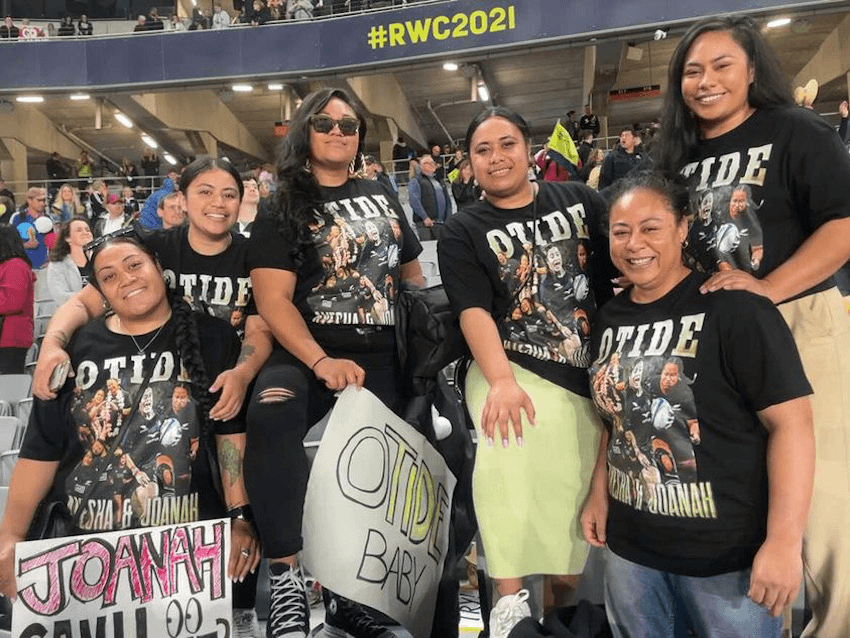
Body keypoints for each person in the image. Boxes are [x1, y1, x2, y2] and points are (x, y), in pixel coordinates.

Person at [654, 16, 850, 638]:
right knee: (747, 492)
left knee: (825, 501)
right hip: (714, 341)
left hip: (798, 320)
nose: (705, 81)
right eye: (691, 70)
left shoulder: (796, 130)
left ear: (753, 70)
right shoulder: (677, 157)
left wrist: (767, 289)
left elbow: (842, 227)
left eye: (720, 66)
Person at [31, 157, 274, 637]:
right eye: (204, 191)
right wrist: (53, 344)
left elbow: (263, 322)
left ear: (244, 197)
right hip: (165, 392)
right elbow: (87, 301)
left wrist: (243, 372)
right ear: (181, 199)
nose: (217, 204)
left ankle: (241, 610)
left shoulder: (253, 252)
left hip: (225, 388)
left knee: (239, 487)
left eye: (228, 193)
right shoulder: (155, 247)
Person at [582, 171, 815, 638]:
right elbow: (616, 418)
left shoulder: (735, 307)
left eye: (651, 227)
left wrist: (784, 541)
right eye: (621, 231)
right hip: (632, 555)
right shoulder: (608, 318)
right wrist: (599, 491)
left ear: (683, 228)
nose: (634, 244)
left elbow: (793, 426)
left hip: (726, 564)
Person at [246, 87, 424, 638]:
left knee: (393, 460)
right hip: (307, 348)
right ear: (306, 130)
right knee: (272, 415)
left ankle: (354, 596)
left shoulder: (381, 192)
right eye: (325, 123)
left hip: (385, 350)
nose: (339, 133)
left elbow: (411, 272)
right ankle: (287, 579)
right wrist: (321, 360)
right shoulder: (282, 204)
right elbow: (273, 300)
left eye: (350, 126)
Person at [0, 234, 260, 602]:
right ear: (100, 293)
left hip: (186, 548)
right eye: (108, 277)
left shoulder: (212, 337)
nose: (126, 279)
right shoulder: (76, 348)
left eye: (134, 265)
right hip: (84, 554)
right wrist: (10, 536)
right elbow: (42, 449)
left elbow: (228, 433)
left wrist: (240, 517)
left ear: (158, 266)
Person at [437, 106, 613, 638]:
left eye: (507, 144)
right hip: (507, 364)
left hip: (585, 365)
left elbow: (615, 272)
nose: (496, 158)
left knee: (573, 486)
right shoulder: (461, 229)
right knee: (508, 440)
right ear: (468, 165)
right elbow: (473, 311)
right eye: (482, 151)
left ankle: (563, 610)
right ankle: (509, 602)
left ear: (528, 149)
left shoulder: (581, 200)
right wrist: (503, 380)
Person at [0, 225, 34, 374]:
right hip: (7, 337)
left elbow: (13, 302)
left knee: (9, 390)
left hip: (11, 337)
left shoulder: (15, 266)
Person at [46, 216, 93, 304]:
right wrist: (90, 297)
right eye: (79, 230)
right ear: (68, 238)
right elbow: (61, 296)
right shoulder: (57, 265)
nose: (85, 233)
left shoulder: (99, 260)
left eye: (87, 230)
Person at [409, 154, 451, 241]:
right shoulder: (416, 181)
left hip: (441, 223)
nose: (433, 165)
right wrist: (424, 217)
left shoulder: (440, 181)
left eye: (433, 163)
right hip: (425, 224)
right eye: (429, 163)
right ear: (422, 166)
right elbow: (414, 201)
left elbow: (448, 201)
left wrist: (448, 219)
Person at [10, 187, 51, 270]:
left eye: (44, 200)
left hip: (44, 267)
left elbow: (53, 242)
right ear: (29, 200)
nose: (43, 203)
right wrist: (25, 245)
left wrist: (51, 261)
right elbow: (9, 242)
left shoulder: (48, 219)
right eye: (39, 200)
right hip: (21, 266)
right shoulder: (17, 217)